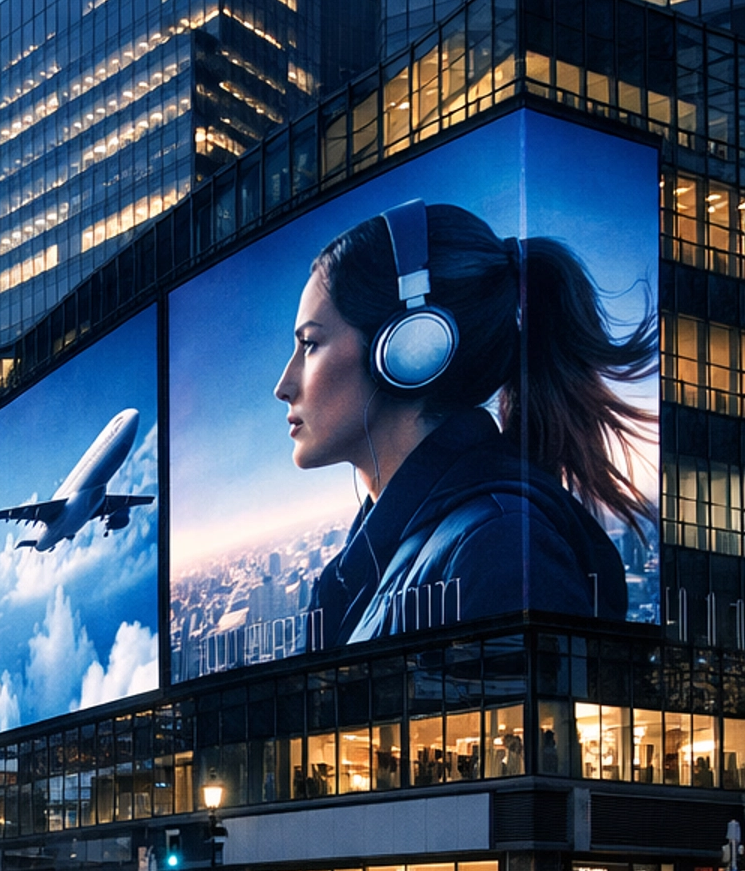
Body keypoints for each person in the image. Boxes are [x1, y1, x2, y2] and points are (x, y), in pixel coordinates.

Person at [275, 201, 655, 647]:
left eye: (311, 344)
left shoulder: (498, 548)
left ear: (412, 348)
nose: (284, 385)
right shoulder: (389, 556)